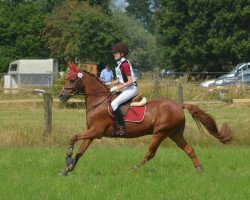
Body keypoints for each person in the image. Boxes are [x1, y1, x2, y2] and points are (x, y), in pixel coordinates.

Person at [108, 42, 137, 136]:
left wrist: (117, 88)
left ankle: (122, 128)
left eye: (116, 53)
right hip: (126, 88)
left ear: (122, 54)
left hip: (131, 88)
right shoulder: (120, 64)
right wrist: (108, 84)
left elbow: (129, 81)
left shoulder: (125, 64)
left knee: (114, 103)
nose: (114, 54)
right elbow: (119, 80)